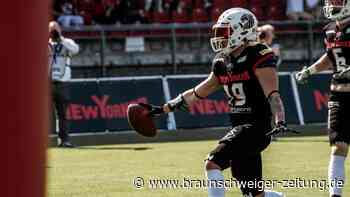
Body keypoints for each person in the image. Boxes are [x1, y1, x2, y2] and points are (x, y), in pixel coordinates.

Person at [141, 8, 296, 197]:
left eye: (225, 31)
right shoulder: (222, 61)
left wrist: (280, 120)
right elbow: (199, 92)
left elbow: (273, 95)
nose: (220, 37)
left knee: (212, 162)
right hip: (239, 127)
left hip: (257, 127)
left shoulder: (259, 54)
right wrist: (163, 108)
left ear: (242, 31)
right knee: (253, 194)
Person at [295, 1, 350, 196]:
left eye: (337, 1)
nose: (332, 5)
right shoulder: (329, 29)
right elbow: (329, 57)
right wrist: (310, 71)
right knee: (339, 146)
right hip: (338, 94)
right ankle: (335, 194)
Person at [48, 21, 79, 148]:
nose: (54, 32)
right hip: (47, 83)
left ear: (60, 29)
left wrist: (60, 38)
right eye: (51, 30)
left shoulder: (67, 42)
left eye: (56, 29)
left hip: (62, 82)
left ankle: (64, 140)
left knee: (62, 114)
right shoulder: (45, 43)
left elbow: (76, 50)